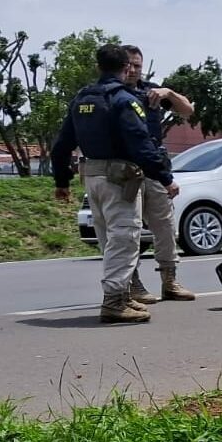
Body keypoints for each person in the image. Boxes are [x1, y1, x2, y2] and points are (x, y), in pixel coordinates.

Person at [50, 43, 175, 323]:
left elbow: (61, 146)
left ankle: (125, 296)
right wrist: (166, 179)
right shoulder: (123, 100)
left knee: (108, 238)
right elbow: (141, 146)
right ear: (125, 68)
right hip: (120, 178)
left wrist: (62, 182)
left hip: (91, 178)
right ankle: (115, 302)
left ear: (98, 66)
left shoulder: (81, 99)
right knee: (124, 238)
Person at [120, 44, 197, 304]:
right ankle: (133, 284)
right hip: (125, 169)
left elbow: (187, 110)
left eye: (137, 65)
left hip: (154, 167)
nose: (132, 70)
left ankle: (170, 281)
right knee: (128, 231)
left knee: (164, 226)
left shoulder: (151, 91)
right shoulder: (113, 93)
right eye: (128, 64)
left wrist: (169, 92)